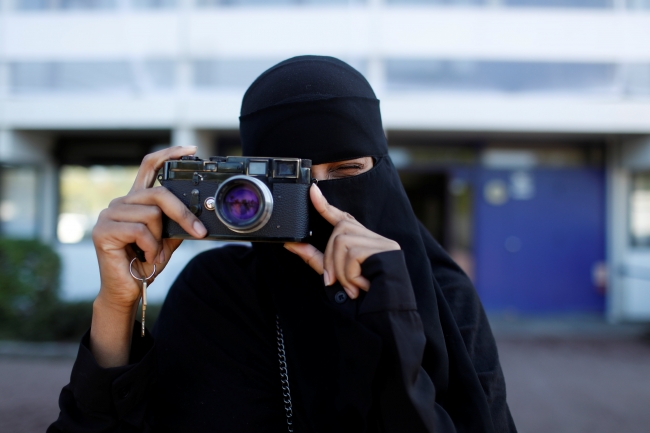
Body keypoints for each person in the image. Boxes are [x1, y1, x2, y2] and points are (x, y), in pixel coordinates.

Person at [49, 56, 516, 433]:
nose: (319, 199)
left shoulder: (441, 296)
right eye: (289, 180)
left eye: (347, 171)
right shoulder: (217, 293)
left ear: (383, 168)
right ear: (251, 183)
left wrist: (389, 308)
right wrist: (115, 301)